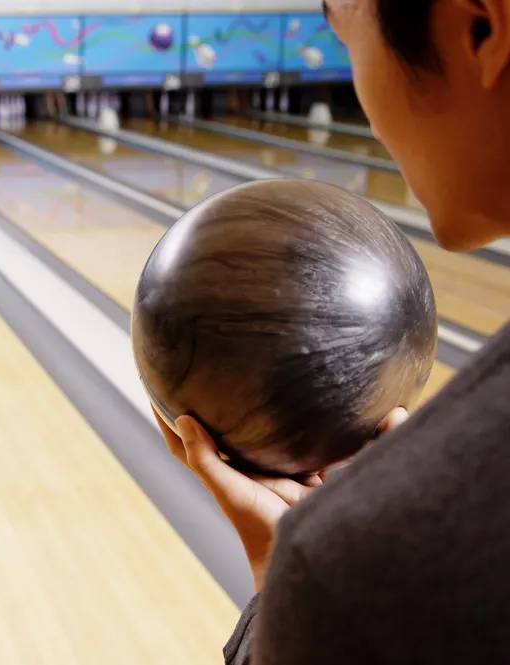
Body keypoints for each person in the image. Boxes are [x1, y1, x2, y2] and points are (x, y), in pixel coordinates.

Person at [155, 0, 510, 663]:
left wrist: (288, 571)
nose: (362, 100)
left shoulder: (361, 577)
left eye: (349, 42)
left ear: (481, 28)